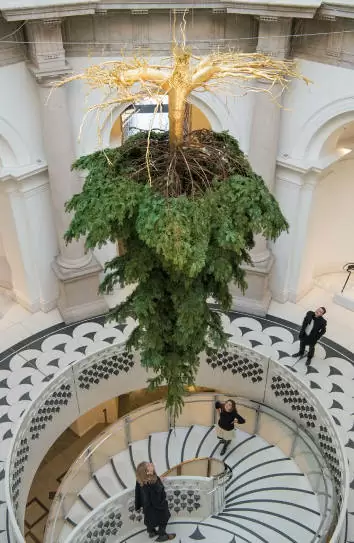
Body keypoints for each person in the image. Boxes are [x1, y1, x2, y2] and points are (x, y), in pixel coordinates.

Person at [135, 461, 176, 541]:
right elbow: (158, 499)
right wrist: (164, 506)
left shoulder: (140, 481)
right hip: (158, 508)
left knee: (149, 520)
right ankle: (162, 535)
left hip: (147, 508)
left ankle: (151, 532)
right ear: (147, 472)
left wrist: (158, 479)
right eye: (148, 465)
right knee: (163, 520)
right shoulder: (154, 483)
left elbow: (138, 493)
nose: (151, 464)